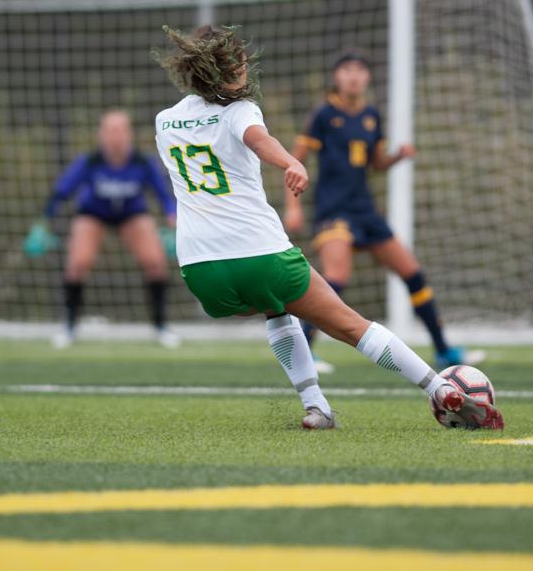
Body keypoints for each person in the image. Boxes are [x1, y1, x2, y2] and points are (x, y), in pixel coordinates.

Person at [152, 25, 502, 431]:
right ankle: (439, 388)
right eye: (242, 63)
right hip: (260, 253)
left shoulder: (165, 121)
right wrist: (291, 163)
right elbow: (258, 139)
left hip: (200, 269)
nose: (247, 70)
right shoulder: (241, 111)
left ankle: (316, 406)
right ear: (227, 69)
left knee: (277, 308)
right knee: (351, 325)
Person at [283, 51, 485, 374]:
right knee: (335, 279)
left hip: (366, 211)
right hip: (334, 211)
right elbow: (295, 159)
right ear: (337, 77)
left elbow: (376, 164)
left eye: (360, 71)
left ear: (367, 79)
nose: (353, 76)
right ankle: (304, 352)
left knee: (413, 275)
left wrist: (397, 157)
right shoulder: (323, 114)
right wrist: (293, 206)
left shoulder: (371, 116)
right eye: (346, 70)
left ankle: (444, 350)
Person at [24, 109, 180, 349]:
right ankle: (69, 327)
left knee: (155, 262)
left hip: (132, 214)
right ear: (101, 134)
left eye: (120, 130)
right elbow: (62, 191)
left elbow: (164, 194)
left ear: (130, 134)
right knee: (77, 264)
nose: (115, 136)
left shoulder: (143, 162)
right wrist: (43, 223)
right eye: (109, 130)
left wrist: (173, 215)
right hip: (93, 214)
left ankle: (160, 327)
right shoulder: (89, 162)